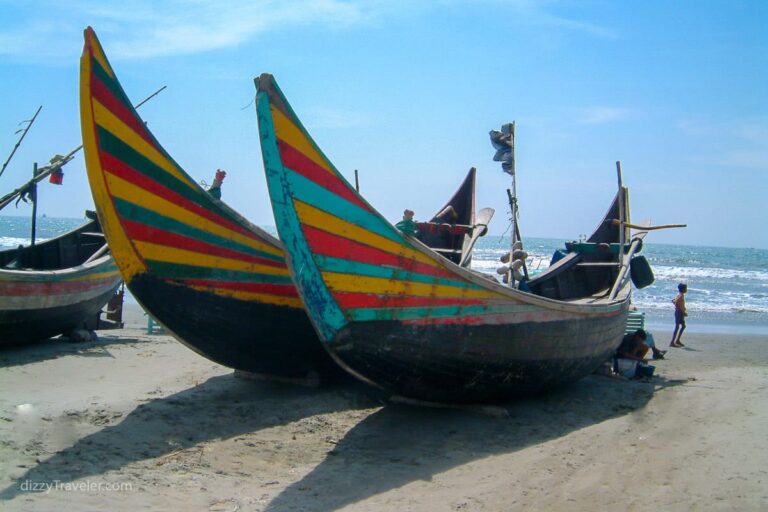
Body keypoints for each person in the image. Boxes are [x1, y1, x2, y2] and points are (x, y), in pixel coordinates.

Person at [670, 283, 688, 347]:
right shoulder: (680, 296)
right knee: (677, 327)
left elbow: (674, 301)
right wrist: (682, 312)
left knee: (683, 326)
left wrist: (682, 308)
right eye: (686, 288)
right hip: (679, 313)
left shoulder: (680, 295)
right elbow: (676, 302)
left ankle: (677, 340)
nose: (686, 289)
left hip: (679, 312)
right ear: (683, 289)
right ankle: (672, 342)